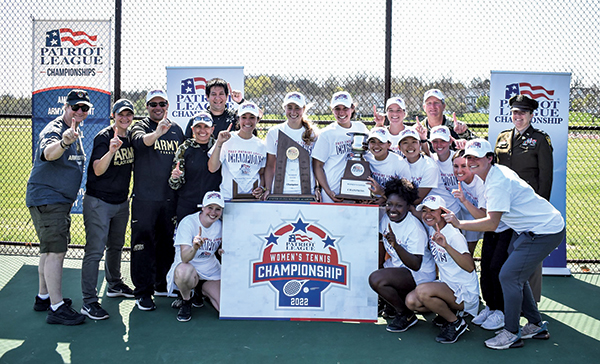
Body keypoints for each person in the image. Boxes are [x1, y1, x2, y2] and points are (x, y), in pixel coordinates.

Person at [443, 138, 565, 350]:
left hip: (545, 230)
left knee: (508, 275)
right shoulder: (487, 177)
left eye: (477, 158)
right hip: (527, 230)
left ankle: (511, 332)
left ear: (489, 158)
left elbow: (491, 223)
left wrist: (459, 223)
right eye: (468, 157)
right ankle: (535, 325)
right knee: (515, 275)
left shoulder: (497, 181)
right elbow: (484, 214)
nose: (471, 161)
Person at [26, 89, 90, 325]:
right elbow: (48, 153)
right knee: (56, 252)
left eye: (84, 108)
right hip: (48, 199)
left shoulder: (75, 131)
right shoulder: (55, 130)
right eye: (76, 107)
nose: (80, 111)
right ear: (66, 107)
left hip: (55, 201)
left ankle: (43, 297)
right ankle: (57, 307)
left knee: (47, 250)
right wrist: (64, 142)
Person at [80, 99, 136, 320]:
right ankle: (89, 301)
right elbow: (97, 169)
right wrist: (111, 151)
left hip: (121, 202)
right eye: (120, 114)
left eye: (128, 114)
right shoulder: (104, 137)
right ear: (113, 115)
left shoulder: (131, 137)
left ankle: (114, 284)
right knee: (94, 251)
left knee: (116, 246)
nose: (125, 118)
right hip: (99, 202)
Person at [495, 94, 554, 303]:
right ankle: (509, 300)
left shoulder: (540, 139)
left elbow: (545, 177)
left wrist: (541, 208)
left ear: (530, 115)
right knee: (506, 253)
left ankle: (532, 304)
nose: (517, 116)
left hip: (529, 208)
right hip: (504, 206)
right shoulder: (502, 138)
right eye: (514, 112)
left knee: (530, 256)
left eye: (522, 112)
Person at [130, 89, 185, 311]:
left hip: (169, 198)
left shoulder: (177, 130)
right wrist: (158, 133)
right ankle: (142, 292)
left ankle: (161, 283)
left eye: (162, 103)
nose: (158, 107)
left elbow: (182, 159)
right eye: (153, 104)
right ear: (147, 107)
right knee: (143, 244)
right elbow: (140, 143)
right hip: (145, 199)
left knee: (166, 243)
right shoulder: (140, 126)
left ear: (167, 105)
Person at [405, 195, 479, 344]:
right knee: (411, 301)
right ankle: (450, 312)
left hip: (465, 293)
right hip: (448, 286)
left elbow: (470, 266)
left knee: (422, 291)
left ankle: (455, 323)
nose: (428, 214)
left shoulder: (453, 234)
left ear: (443, 213)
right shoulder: (434, 230)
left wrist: (446, 246)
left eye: (433, 210)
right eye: (425, 210)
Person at [368, 177, 435, 333]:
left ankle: (405, 314)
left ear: (408, 206)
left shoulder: (414, 228)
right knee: (372, 272)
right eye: (389, 204)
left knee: (376, 279)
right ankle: (391, 304)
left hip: (419, 274)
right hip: (399, 267)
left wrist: (396, 245)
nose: (392, 209)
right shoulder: (386, 218)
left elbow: (415, 265)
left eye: (399, 206)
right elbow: (380, 244)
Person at [451, 150, 509, 331]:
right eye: (457, 166)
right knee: (486, 267)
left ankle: (502, 311)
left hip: (504, 227)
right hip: (489, 228)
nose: (460, 170)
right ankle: (491, 307)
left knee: (497, 268)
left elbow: (484, 216)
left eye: (465, 165)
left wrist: (465, 201)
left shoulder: (482, 182)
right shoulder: (461, 180)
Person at [166, 191, 224, 322]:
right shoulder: (188, 223)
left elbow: (224, 247)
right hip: (188, 267)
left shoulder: (220, 225)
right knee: (183, 271)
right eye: (210, 208)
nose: (213, 213)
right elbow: (185, 258)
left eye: (218, 209)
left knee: (224, 309)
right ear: (202, 207)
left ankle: (201, 291)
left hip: (210, 269)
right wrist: (195, 247)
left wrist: (222, 250)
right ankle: (186, 300)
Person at [312, 91, 369, 203]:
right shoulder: (327, 134)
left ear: (352, 108)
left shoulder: (361, 128)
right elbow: (317, 165)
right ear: (332, 110)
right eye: (337, 108)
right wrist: (328, 191)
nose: (341, 112)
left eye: (345, 108)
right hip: (334, 193)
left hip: (357, 192)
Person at [263, 92, 319, 199]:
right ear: (284, 108)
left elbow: (316, 165)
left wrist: (317, 188)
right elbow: (270, 165)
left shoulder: (313, 134)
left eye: (297, 108)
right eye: (289, 107)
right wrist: (268, 189)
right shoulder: (274, 132)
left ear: (304, 109)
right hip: (280, 191)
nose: (293, 112)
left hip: (307, 191)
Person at [208, 101, 267, 201]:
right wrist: (219, 143)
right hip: (229, 198)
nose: (247, 121)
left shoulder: (262, 145)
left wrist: (261, 188)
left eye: (252, 117)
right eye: (244, 117)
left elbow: (262, 173)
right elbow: (212, 168)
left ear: (257, 120)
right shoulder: (227, 139)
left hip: (252, 199)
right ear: (238, 119)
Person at [170, 111, 221, 222]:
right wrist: (175, 178)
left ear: (212, 129)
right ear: (193, 129)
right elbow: (175, 185)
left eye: (206, 127)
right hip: (187, 204)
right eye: (198, 127)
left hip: (212, 207)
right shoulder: (184, 148)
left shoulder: (219, 147)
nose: (202, 130)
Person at [396, 128, 460, 213]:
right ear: (399, 148)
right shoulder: (400, 164)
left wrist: (385, 197)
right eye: (405, 143)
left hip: (448, 210)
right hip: (428, 211)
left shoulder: (429, 166)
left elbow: (417, 199)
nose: (410, 146)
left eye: (414, 142)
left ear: (419, 145)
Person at [363, 127, 411, 205]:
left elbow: (407, 194)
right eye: (372, 142)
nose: (376, 146)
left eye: (381, 142)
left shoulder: (399, 163)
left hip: (392, 206)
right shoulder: (365, 157)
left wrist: (384, 196)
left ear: (389, 145)